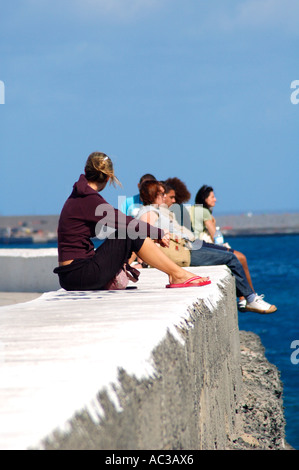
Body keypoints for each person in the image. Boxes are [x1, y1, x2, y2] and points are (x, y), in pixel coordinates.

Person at [53, 152, 211, 291]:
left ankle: (178, 274)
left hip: (74, 274)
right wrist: (158, 232)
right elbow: (126, 223)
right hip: (79, 275)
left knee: (128, 231)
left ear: (86, 171)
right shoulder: (88, 199)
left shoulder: (79, 194)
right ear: (108, 178)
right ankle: (178, 274)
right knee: (131, 232)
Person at [137, 180, 277, 315]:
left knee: (230, 256)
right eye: (161, 194)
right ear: (153, 195)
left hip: (186, 248)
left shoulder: (153, 210)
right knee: (231, 258)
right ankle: (250, 299)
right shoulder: (149, 212)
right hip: (183, 253)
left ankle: (248, 298)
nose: (164, 196)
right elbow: (143, 237)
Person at [190, 185, 256, 307]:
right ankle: (251, 296)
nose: (216, 199)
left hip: (194, 246)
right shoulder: (204, 211)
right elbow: (215, 235)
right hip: (203, 246)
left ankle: (242, 297)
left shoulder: (194, 209)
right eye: (212, 197)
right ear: (204, 198)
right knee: (241, 258)